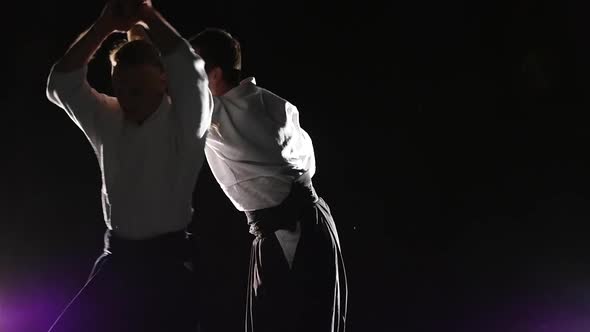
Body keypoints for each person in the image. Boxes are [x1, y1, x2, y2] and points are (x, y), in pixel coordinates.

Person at [45, 1, 212, 331]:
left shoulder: (186, 119)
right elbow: (60, 83)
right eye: (120, 87)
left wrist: (147, 14)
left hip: (168, 269)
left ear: (163, 81)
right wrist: (105, 25)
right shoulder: (107, 117)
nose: (126, 97)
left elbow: (191, 68)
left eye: (137, 89)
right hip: (118, 262)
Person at [189, 28, 348, 332]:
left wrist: (141, 31)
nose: (187, 81)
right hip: (310, 225)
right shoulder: (273, 103)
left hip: (293, 233)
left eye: (193, 70)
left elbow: (175, 99)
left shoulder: (219, 114)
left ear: (214, 74)